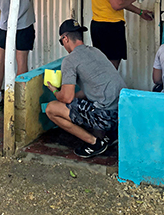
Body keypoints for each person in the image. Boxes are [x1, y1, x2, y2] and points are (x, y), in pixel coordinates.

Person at [46, 19, 127, 158]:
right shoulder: (96, 51)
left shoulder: (70, 60)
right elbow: (92, 88)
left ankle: (94, 143)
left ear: (65, 38)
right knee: (85, 103)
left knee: (51, 109)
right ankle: (110, 136)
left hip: (105, 116)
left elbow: (67, 97)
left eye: (61, 41)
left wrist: (54, 90)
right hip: (122, 111)